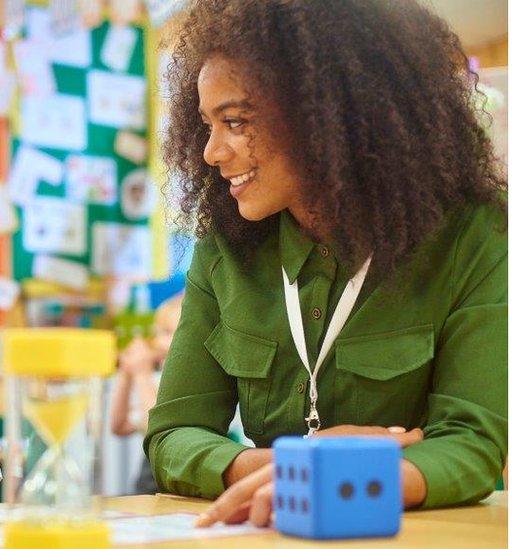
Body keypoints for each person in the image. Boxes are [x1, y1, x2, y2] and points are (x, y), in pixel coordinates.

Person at [144, 0, 507, 528]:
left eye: (236, 121)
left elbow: (474, 444)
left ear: (329, 113)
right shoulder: (225, 246)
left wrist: (350, 476)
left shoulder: (472, 235)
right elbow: (172, 434)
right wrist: (287, 469)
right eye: (206, 125)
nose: (211, 152)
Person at [109, 292, 182, 494]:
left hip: (172, 490)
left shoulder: (190, 387)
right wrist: (126, 374)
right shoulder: (156, 382)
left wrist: (141, 374)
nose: (157, 341)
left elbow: (157, 429)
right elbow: (119, 426)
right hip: (146, 487)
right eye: (158, 332)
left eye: (167, 333)